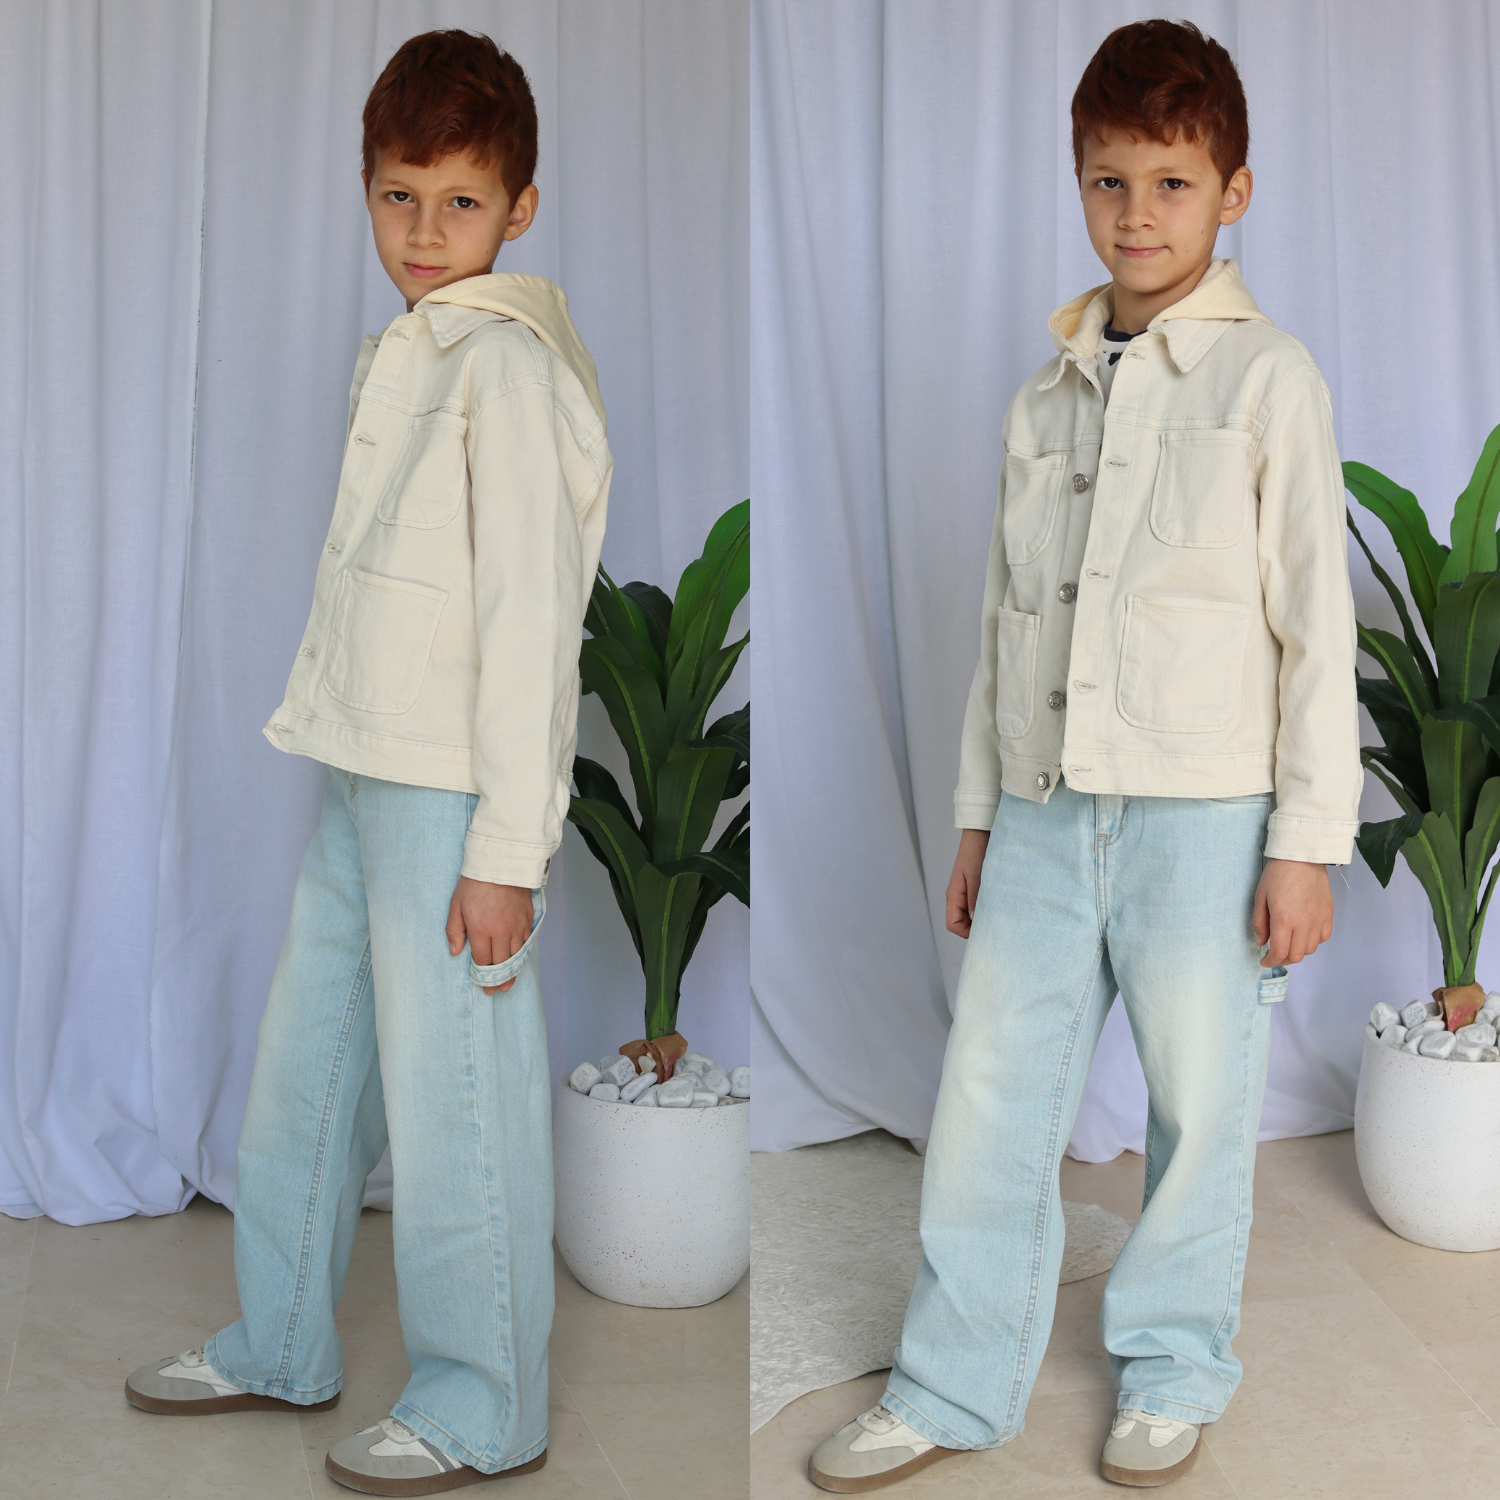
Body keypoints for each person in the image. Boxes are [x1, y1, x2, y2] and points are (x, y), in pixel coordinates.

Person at [809, 18, 1360, 1494]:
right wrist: (979, 816)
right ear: (1077, 182)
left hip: (1205, 817)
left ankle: (1173, 1366)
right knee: (988, 1099)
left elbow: (1317, 627)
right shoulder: (1042, 397)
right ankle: (949, 1381)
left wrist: (1306, 843)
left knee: (1199, 1107)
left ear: (1233, 191)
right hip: (1047, 811)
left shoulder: (1270, 382)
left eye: (1171, 182)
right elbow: (1006, 625)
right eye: (1109, 180)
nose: (1137, 213)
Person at [123, 30, 611, 1495]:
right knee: (310, 1063)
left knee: (459, 1097)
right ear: (365, 189)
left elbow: (532, 623)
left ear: (519, 208)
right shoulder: (412, 349)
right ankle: (282, 1337)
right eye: (400, 196)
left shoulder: (502, 369)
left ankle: (484, 1403)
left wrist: (506, 853)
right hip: (364, 762)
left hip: (452, 791)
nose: (424, 230)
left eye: (460, 202)